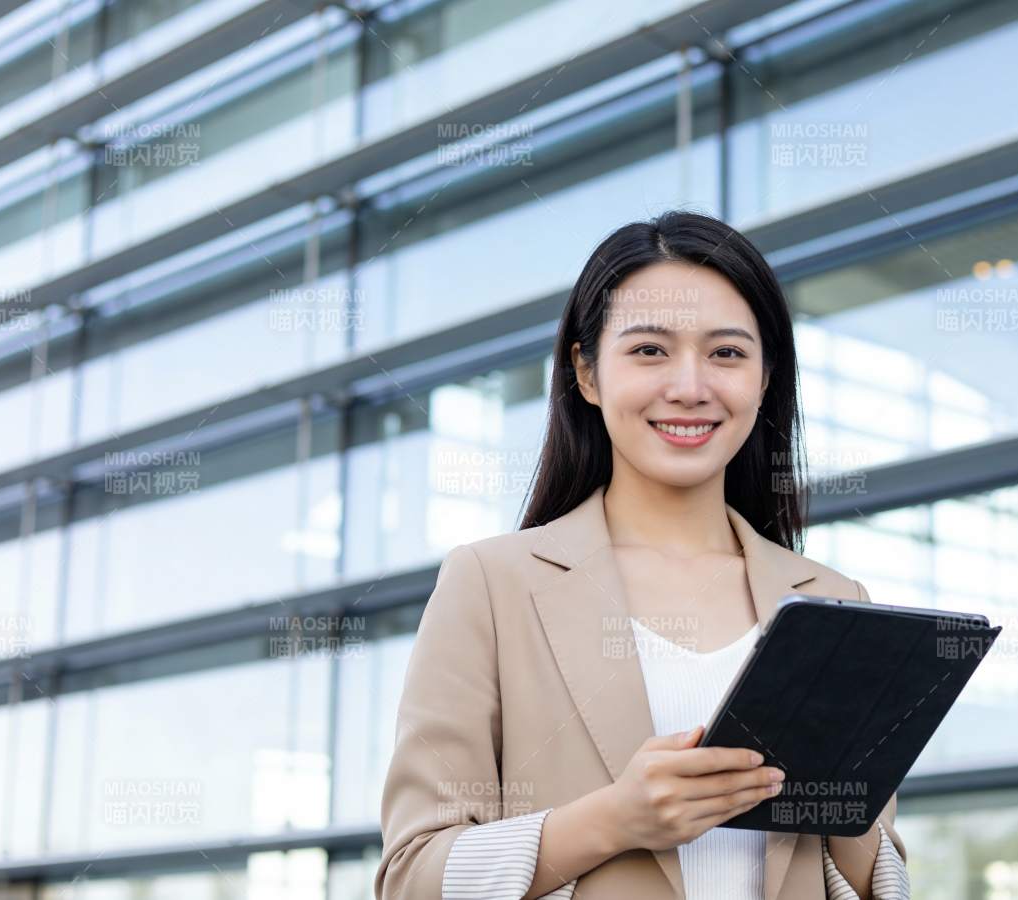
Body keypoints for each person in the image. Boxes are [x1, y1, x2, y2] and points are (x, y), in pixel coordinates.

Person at [375, 210, 908, 899]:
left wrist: (842, 792)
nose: (690, 386)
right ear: (587, 374)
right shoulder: (491, 584)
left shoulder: (834, 603)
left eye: (727, 353)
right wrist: (613, 820)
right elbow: (412, 876)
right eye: (650, 350)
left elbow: (877, 880)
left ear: (767, 377)